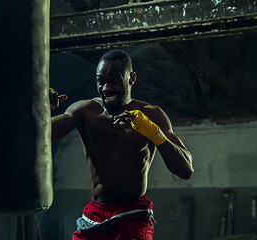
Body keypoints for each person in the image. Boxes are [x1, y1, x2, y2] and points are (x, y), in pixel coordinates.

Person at [49, 49, 193, 240]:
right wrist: (39, 105)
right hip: (94, 214)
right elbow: (38, 136)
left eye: (115, 80)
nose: (107, 88)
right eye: (101, 80)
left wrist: (154, 133)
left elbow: (185, 170)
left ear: (131, 78)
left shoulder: (152, 115)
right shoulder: (85, 111)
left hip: (133, 215)